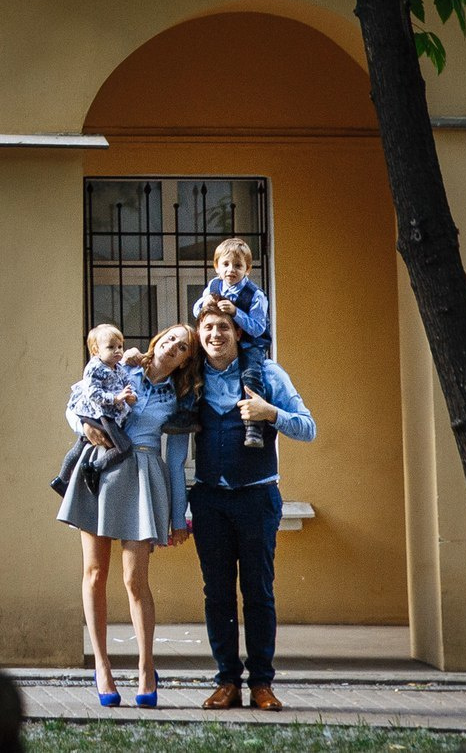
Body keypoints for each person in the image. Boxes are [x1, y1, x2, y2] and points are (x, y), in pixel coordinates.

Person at [57, 321, 200, 708]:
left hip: (144, 476)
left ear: (186, 360)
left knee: (135, 579)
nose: (173, 346)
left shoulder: (179, 397)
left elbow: (176, 461)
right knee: (94, 573)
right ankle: (102, 666)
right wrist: (83, 426)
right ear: (159, 339)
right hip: (101, 468)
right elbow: (75, 403)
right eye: (170, 338)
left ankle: (146, 666)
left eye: (182, 347)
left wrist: (178, 517)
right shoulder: (123, 367)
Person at [190, 304, 316, 711]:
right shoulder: (191, 376)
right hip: (209, 499)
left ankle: (262, 683)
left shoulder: (267, 373)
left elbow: (308, 427)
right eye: (208, 327)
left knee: (258, 592)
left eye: (223, 327)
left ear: (239, 333)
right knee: (217, 594)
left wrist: (270, 413)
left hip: (256, 498)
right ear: (199, 334)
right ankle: (227, 681)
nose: (215, 334)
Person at [192, 237, 274, 448]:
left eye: (238, 266)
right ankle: (188, 412)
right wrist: (205, 303)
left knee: (251, 375)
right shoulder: (214, 285)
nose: (231, 270)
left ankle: (253, 426)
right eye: (226, 264)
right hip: (225, 343)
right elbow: (196, 311)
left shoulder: (255, 295)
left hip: (251, 343)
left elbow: (258, 328)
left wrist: (236, 313)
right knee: (192, 364)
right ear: (217, 267)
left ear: (247, 269)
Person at [51, 322, 143, 496]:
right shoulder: (95, 368)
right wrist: (115, 398)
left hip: (110, 414)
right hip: (99, 414)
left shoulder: (118, 368)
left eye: (120, 346)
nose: (117, 351)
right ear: (96, 350)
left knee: (82, 443)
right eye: (111, 347)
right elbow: (93, 393)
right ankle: (94, 468)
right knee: (124, 448)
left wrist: (132, 397)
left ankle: (61, 480)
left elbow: (128, 384)